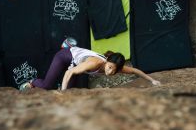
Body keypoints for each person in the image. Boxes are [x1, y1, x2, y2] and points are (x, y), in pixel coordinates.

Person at [20, 37, 161, 91]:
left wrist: (153, 80)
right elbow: (70, 72)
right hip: (65, 57)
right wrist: (62, 94)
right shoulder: (95, 63)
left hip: (75, 64)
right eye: (110, 67)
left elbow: (135, 70)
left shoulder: (116, 66)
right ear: (108, 61)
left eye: (114, 70)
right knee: (47, 86)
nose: (111, 72)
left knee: (71, 92)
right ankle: (32, 82)